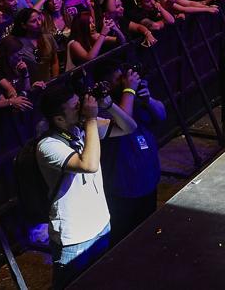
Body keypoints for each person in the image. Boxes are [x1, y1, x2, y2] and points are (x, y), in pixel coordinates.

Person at [36, 85, 138, 289]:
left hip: (100, 227)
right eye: (75, 107)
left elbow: (129, 127)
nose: (82, 108)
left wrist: (108, 105)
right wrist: (91, 118)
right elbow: (88, 165)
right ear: (58, 119)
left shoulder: (81, 129)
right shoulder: (48, 145)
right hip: (75, 239)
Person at [90, 60, 165, 247]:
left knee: (146, 234)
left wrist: (148, 99)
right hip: (121, 188)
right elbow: (127, 124)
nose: (124, 82)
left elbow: (162, 115)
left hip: (147, 182)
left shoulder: (132, 97)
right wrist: (129, 91)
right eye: (119, 80)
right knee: (123, 240)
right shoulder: (102, 107)